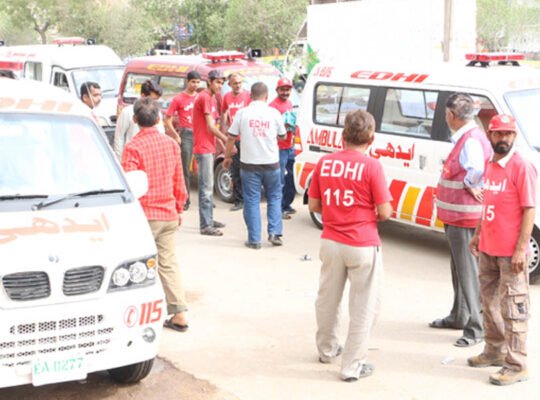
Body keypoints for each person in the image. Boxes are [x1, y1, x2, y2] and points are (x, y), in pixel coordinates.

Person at [308, 109, 392, 382]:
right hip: (362, 243)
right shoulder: (372, 166)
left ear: (342, 135)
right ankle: (351, 367)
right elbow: (385, 211)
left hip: (330, 241)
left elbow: (315, 205)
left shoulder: (325, 163)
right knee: (363, 307)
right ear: (371, 137)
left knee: (327, 299)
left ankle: (326, 349)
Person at [468, 114, 536, 386]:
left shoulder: (522, 166)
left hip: (511, 253)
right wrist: (477, 234)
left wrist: (521, 249)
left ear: (514, 136)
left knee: (513, 306)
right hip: (488, 248)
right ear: (490, 135)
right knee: (489, 302)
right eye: (499, 134)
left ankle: (516, 363)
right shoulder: (490, 165)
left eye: (508, 134)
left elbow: (529, 209)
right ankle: (494, 350)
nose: (503, 139)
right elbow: (489, 205)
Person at [121, 97, 189, 332]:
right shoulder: (171, 145)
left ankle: (135, 315)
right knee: (168, 263)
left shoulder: (133, 148)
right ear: (159, 119)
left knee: (136, 266)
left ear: (135, 120)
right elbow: (179, 180)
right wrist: (178, 209)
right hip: (168, 213)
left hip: (144, 216)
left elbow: (130, 186)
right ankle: (179, 312)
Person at [431, 93, 492, 347]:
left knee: (467, 272)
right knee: (459, 269)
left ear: (450, 116)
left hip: (465, 216)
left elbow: (476, 169)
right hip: (456, 215)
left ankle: (476, 328)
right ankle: (459, 315)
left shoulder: (470, 140)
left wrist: (469, 184)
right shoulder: (469, 136)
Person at [223, 82, 285, 248]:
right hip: (272, 164)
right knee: (274, 197)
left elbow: (231, 137)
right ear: (267, 96)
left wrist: (227, 157)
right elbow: (283, 135)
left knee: (251, 200)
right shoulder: (274, 113)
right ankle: (275, 233)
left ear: (250, 96)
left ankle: (254, 239)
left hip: (249, 165)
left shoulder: (243, 113)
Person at [192, 69, 228, 236]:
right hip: (203, 147)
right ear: (209, 82)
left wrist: (221, 143)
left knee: (208, 186)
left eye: (221, 83)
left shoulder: (212, 98)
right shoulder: (205, 97)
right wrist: (227, 140)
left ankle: (209, 218)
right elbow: (210, 127)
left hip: (209, 146)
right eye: (217, 82)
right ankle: (205, 225)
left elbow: (213, 128)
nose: (219, 86)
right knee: (206, 187)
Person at [165, 71, 201, 210]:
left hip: (199, 134)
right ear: (188, 82)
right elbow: (167, 117)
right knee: (185, 168)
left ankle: (206, 198)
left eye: (198, 82)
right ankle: (185, 199)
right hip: (186, 134)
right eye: (193, 82)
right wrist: (175, 135)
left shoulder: (200, 97)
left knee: (203, 167)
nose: (195, 85)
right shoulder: (179, 98)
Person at [221, 73, 251, 211]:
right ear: (230, 85)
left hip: (247, 138)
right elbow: (224, 114)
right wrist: (224, 132)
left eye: (239, 82)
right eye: (235, 83)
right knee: (236, 170)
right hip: (234, 139)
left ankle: (249, 199)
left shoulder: (248, 96)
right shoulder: (226, 97)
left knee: (249, 170)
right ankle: (239, 200)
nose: (238, 85)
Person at [114, 79, 164, 158]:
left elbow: (161, 133)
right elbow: (119, 137)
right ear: (143, 95)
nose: (154, 103)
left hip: (151, 157)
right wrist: (120, 160)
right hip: (133, 156)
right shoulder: (127, 112)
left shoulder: (157, 112)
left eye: (156, 100)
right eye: (153, 99)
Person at [269, 78, 295, 220]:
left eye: (288, 89)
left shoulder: (290, 103)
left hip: (290, 145)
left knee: (291, 176)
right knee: (279, 180)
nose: (285, 92)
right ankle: (277, 209)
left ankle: (286, 204)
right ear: (277, 90)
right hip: (279, 147)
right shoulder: (272, 106)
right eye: (283, 89)